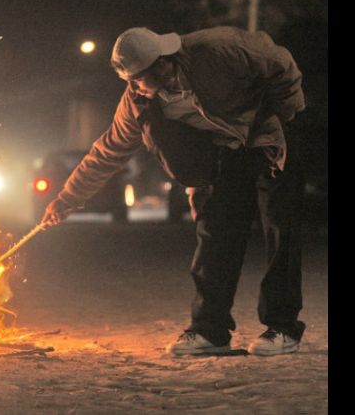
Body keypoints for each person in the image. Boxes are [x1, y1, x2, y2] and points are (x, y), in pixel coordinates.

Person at [42, 26, 306, 356]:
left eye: (137, 79)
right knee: (215, 234)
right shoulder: (139, 102)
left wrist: (284, 113)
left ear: (164, 64)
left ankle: (283, 327)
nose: (133, 87)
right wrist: (67, 199)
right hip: (224, 152)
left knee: (279, 228)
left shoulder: (217, 52)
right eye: (129, 80)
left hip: (270, 138)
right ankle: (210, 330)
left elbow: (279, 62)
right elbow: (107, 152)